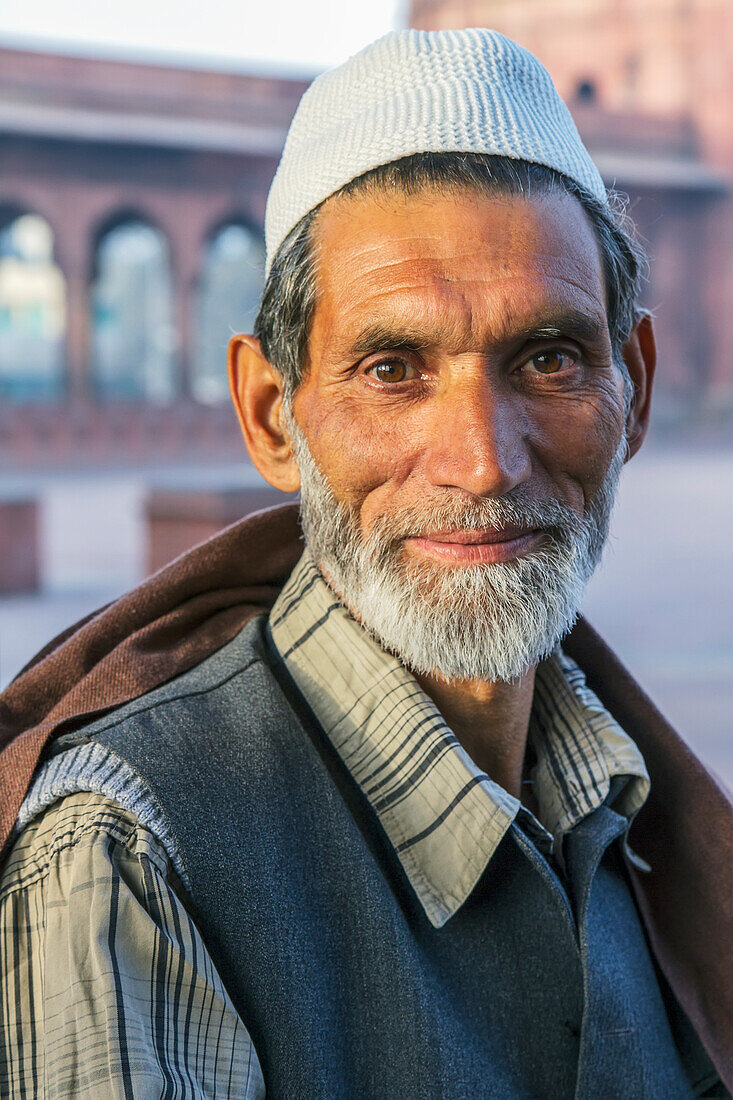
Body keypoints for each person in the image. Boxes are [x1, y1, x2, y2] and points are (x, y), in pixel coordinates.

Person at [0, 27, 731, 1099]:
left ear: (634, 388)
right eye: (392, 368)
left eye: (548, 357)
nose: (483, 461)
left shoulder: (633, 810)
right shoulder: (137, 857)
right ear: (270, 414)